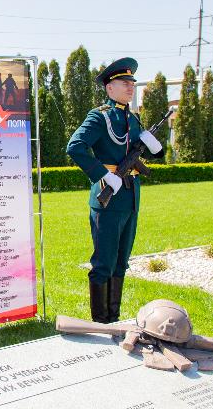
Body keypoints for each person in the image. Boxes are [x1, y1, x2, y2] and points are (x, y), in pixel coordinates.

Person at [65, 57, 163, 324]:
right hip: (108, 197)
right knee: (103, 264)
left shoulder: (132, 118)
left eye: (132, 82)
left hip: (131, 197)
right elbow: (75, 147)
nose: (130, 87)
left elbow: (141, 151)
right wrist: (103, 175)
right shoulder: (100, 116)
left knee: (121, 263)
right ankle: (101, 323)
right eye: (124, 82)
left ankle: (114, 320)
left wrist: (156, 148)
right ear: (110, 88)